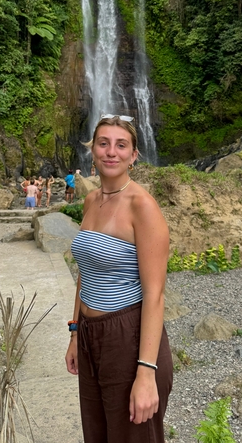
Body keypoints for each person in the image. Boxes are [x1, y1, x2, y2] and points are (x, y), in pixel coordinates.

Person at [65, 115, 172, 443]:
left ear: (134, 155)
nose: (111, 152)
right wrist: (74, 332)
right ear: (93, 151)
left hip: (128, 338)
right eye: (103, 143)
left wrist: (146, 372)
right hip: (89, 335)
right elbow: (86, 273)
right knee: (96, 434)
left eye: (121, 145)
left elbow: (154, 294)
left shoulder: (143, 206)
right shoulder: (91, 200)